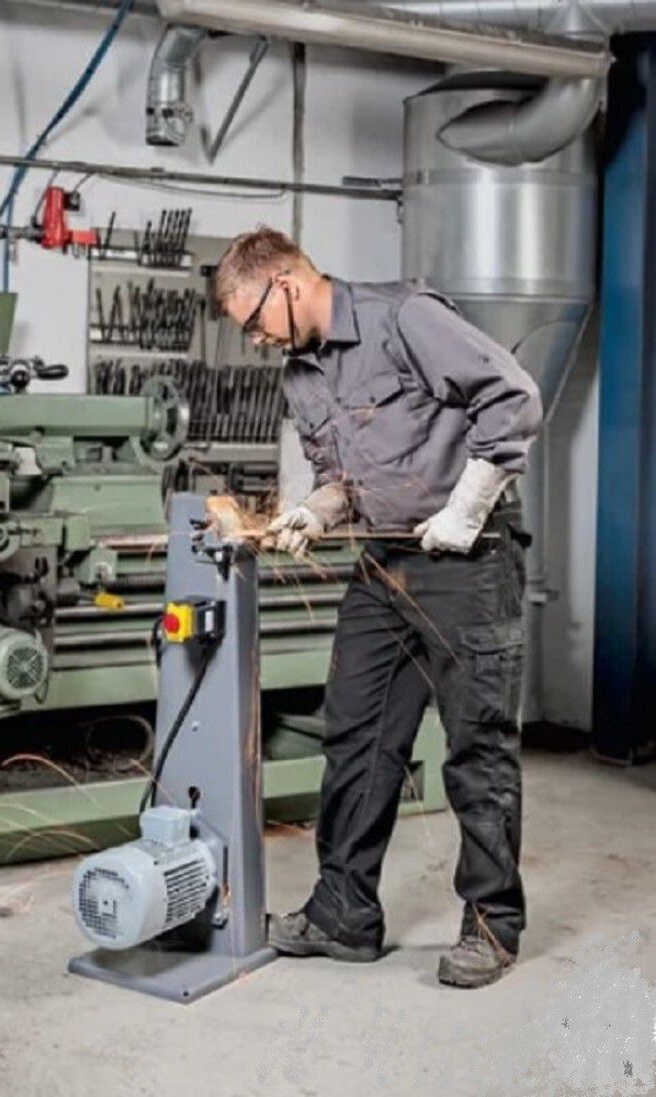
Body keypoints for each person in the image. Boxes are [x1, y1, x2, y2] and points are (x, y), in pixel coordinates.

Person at [215, 227, 542, 988]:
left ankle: (491, 925)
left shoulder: (404, 318)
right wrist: (318, 509)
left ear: (287, 283)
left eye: (254, 321)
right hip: (383, 561)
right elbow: (343, 473)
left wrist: (466, 508)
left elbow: (513, 396)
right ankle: (344, 914)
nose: (258, 340)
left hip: (468, 560)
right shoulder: (301, 374)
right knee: (356, 735)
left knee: (477, 746)